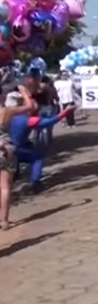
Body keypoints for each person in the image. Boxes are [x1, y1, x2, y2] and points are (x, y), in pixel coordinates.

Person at [0, 86, 36, 229]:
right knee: (5, 187)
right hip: (6, 149)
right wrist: (24, 92)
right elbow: (30, 106)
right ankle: (4, 220)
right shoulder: (7, 111)